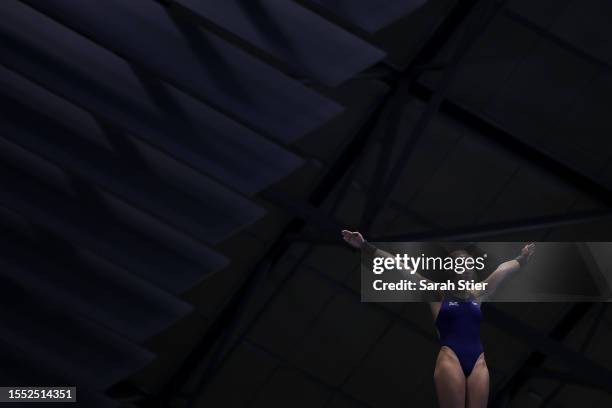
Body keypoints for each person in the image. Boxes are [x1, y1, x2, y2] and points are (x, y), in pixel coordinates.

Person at [341, 230, 535, 408]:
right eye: (459, 265)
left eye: (468, 264)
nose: (465, 268)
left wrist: (522, 258)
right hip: (451, 359)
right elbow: (400, 268)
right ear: (451, 272)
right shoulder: (437, 294)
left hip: (478, 361)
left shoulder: (478, 293)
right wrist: (365, 246)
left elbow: (503, 269)